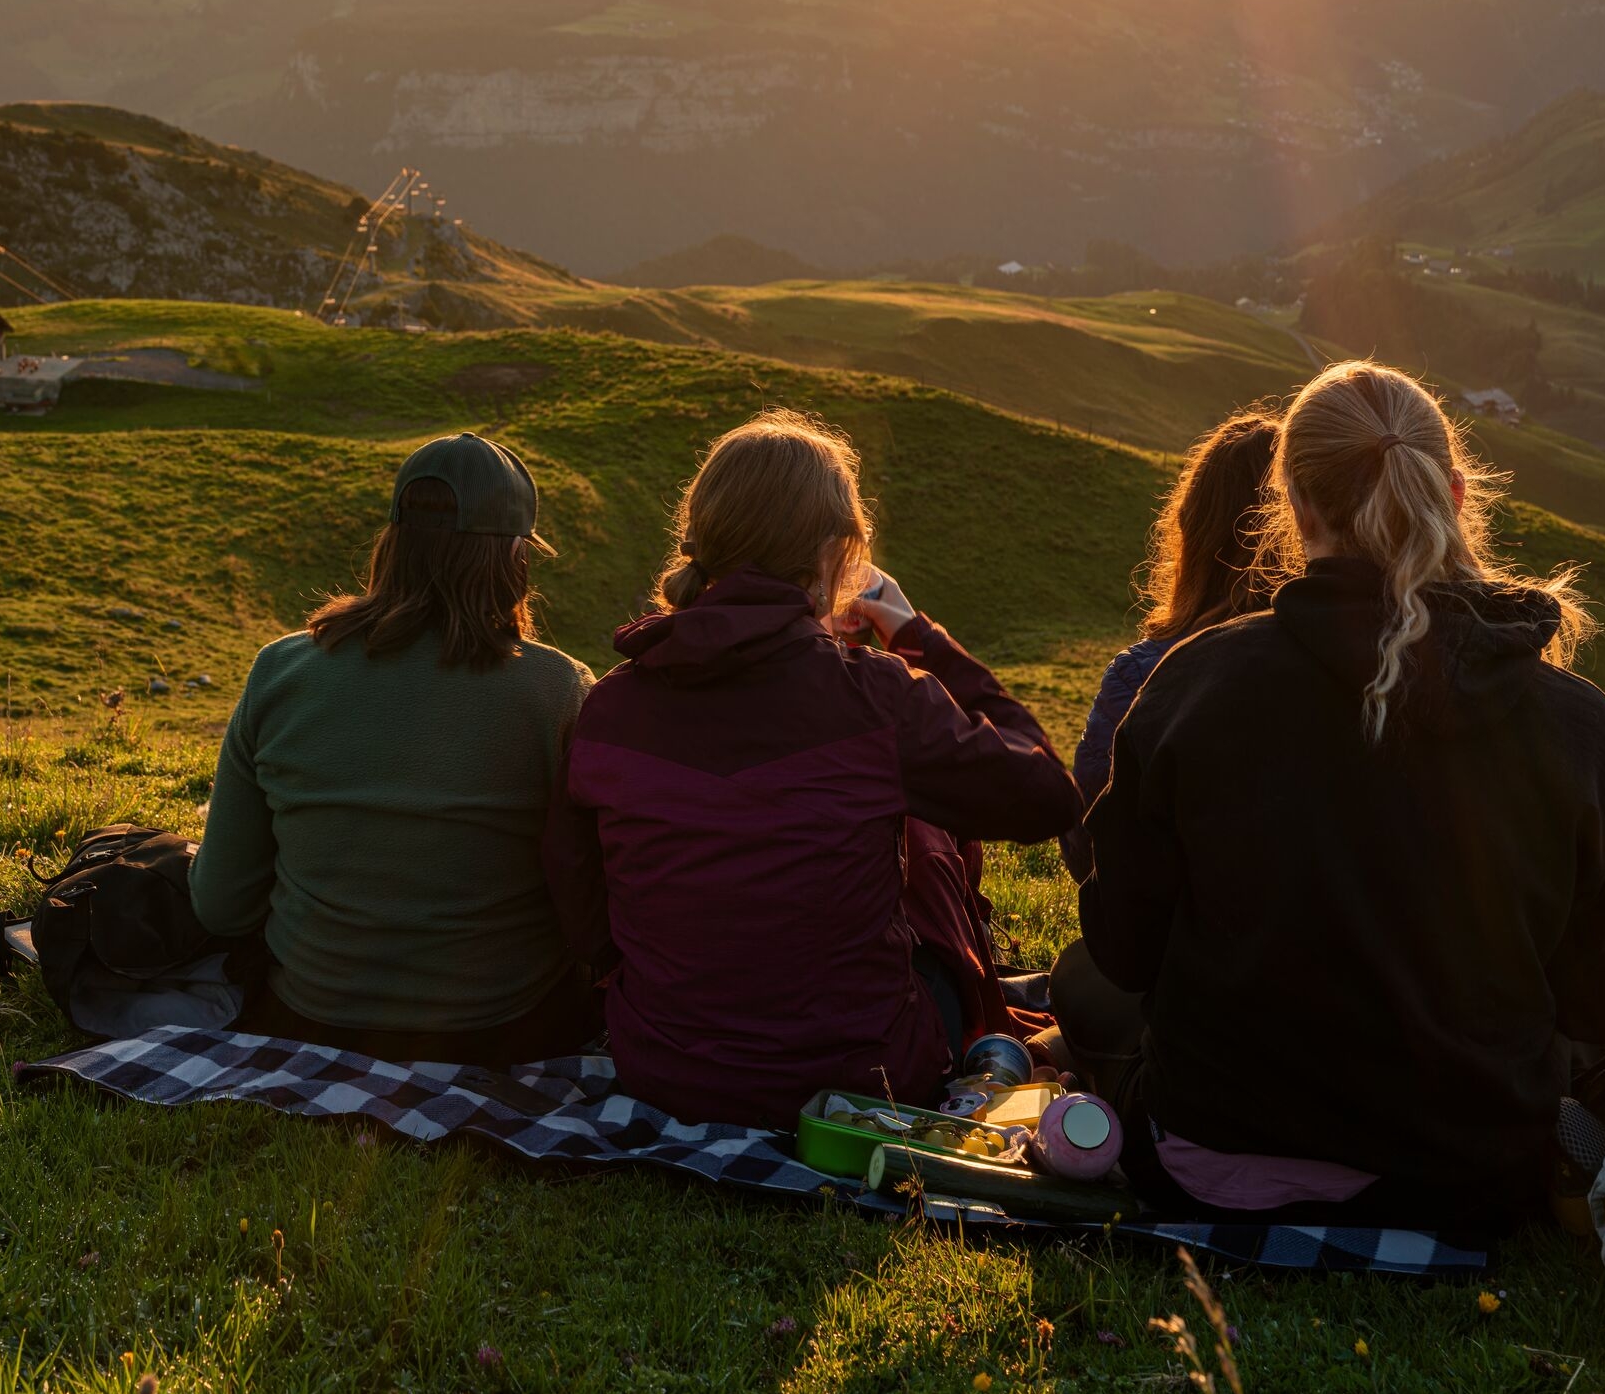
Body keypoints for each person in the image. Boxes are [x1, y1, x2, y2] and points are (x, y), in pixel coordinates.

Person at [1059, 360, 1605, 1236]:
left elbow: (1121, 948)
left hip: (1210, 1163)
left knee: (1078, 987)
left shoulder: (1197, 683)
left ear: (1295, 504)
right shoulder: (1576, 724)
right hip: (1473, 1183)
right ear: (1454, 493)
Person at [546, 409, 1082, 1128]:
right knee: (924, 825)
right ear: (835, 555)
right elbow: (1047, 794)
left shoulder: (609, 707)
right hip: (865, 1075)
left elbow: (585, 910)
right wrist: (919, 638)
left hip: (665, 1068)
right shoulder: (876, 694)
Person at [190, 432, 599, 1065]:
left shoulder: (282, 671)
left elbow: (219, 905)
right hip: (505, 1031)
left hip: (309, 1020)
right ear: (513, 557)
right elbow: (589, 910)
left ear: (392, 543)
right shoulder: (559, 691)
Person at [1062, 404, 1283, 878]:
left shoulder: (1142, 673)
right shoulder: (1365, 658)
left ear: (1191, 528)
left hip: (1172, 943)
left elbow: (1087, 846)